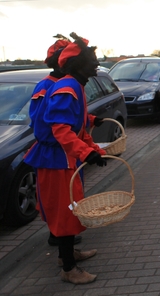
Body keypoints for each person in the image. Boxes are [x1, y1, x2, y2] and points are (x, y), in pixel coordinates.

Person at [24, 33, 107, 284]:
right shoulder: (65, 87)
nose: (97, 63)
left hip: (66, 157)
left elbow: (76, 125)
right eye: (92, 59)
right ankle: (68, 269)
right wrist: (86, 151)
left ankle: (67, 254)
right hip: (56, 157)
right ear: (76, 63)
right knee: (65, 212)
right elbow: (57, 129)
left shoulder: (75, 85)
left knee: (71, 208)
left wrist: (93, 148)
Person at [31, 36, 88, 248]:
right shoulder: (48, 85)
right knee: (62, 205)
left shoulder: (69, 83)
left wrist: (90, 122)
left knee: (71, 202)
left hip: (69, 152)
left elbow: (72, 115)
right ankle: (63, 251)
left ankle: (67, 246)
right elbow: (45, 122)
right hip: (56, 153)